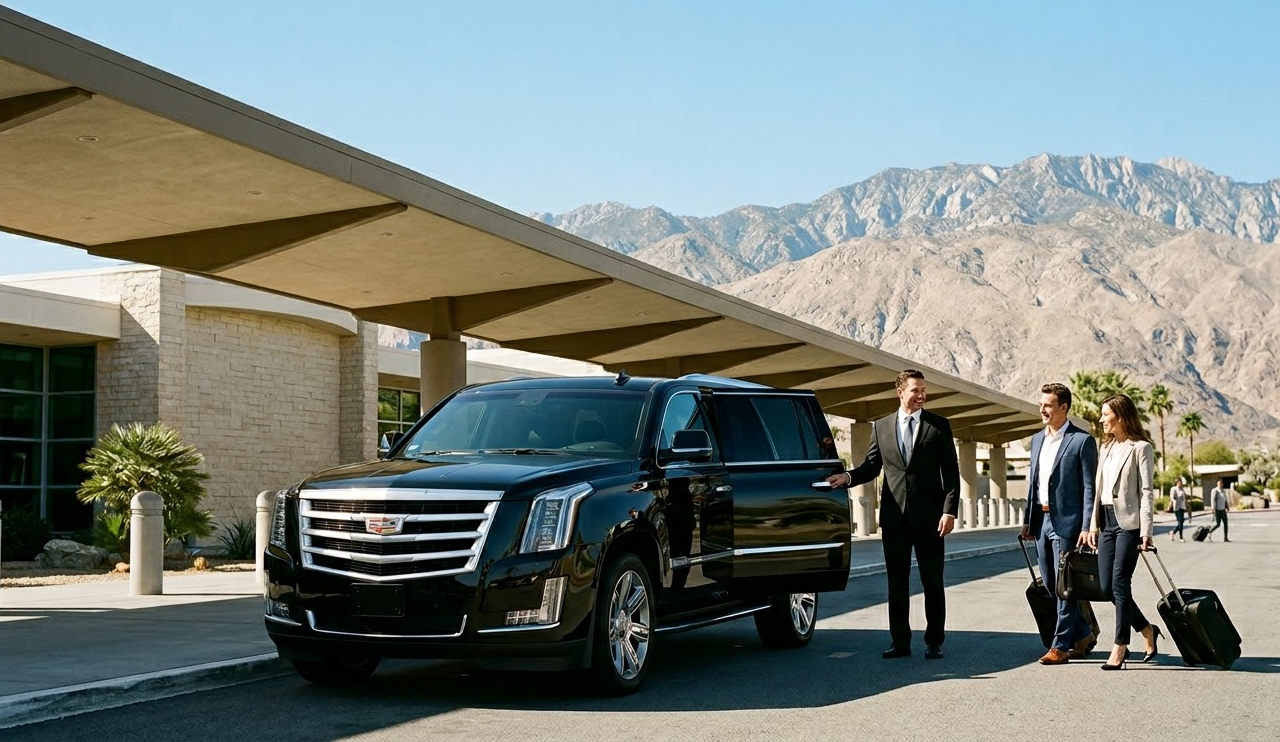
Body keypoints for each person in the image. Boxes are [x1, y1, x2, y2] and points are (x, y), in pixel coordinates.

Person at [826, 369, 960, 660]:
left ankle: (934, 641)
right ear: (900, 392)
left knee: (932, 583)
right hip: (894, 519)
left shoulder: (938, 426)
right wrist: (847, 477)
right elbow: (872, 467)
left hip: (931, 520)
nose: (922, 395)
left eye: (924, 390)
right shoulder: (881, 426)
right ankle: (900, 642)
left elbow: (951, 473)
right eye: (916, 390)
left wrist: (949, 511)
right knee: (896, 583)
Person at [1019, 383, 1098, 665]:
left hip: (1068, 523)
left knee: (1066, 587)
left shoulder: (1081, 441)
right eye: (1041, 404)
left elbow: (1090, 488)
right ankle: (1084, 633)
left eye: (1048, 405)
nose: (1042, 409)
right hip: (1041, 520)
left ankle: (1061, 645)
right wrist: (1028, 520)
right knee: (1051, 585)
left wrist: (1088, 526)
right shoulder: (1037, 440)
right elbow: (1034, 483)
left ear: (1064, 408)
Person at [1086, 393, 1163, 670]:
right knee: (1107, 587)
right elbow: (1098, 490)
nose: (1102, 419)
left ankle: (1120, 645)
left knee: (1120, 583)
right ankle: (1146, 629)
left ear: (1119, 415)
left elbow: (1146, 492)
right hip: (1106, 521)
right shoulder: (1104, 448)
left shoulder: (1141, 448)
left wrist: (1147, 530)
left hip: (1129, 524)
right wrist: (1093, 524)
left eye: (1106, 414)